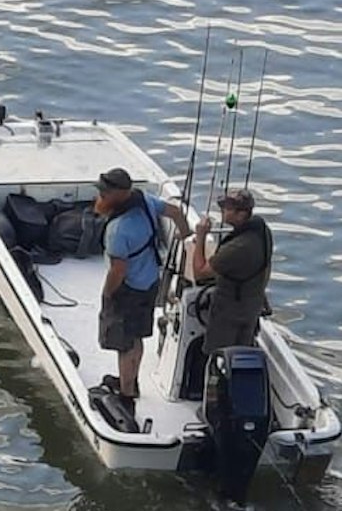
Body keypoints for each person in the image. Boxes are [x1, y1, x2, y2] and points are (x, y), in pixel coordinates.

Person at [92, 167, 190, 403]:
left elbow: (118, 270)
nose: (101, 197)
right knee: (137, 338)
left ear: (120, 194)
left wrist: (107, 295)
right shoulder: (145, 200)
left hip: (129, 290)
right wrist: (185, 236)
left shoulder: (118, 230)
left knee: (123, 344)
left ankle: (126, 394)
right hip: (150, 283)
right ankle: (131, 380)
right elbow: (176, 212)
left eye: (105, 193)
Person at [189, 189, 273, 349]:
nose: (222, 210)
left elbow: (199, 273)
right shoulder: (262, 230)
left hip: (230, 314)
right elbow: (266, 267)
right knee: (242, 350)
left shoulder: (238, 247)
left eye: (227, 208)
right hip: (251, 308)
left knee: (218, 354)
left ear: (241, 214)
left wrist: (201, 236)